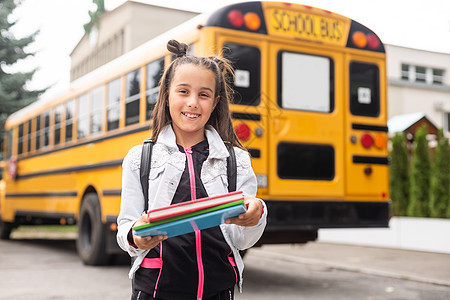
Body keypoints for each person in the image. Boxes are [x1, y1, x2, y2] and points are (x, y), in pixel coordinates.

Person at [117, 39, 267, 300]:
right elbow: (125, 227)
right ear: (167, 96)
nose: (193, 103)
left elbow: (243, 240)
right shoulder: (140, 158)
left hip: (218, 292)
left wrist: (257, 214)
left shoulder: (236, 161)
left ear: (215, 102)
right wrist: (135, 236)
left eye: (204, 94)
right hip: (155, 291)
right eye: (183, 91)